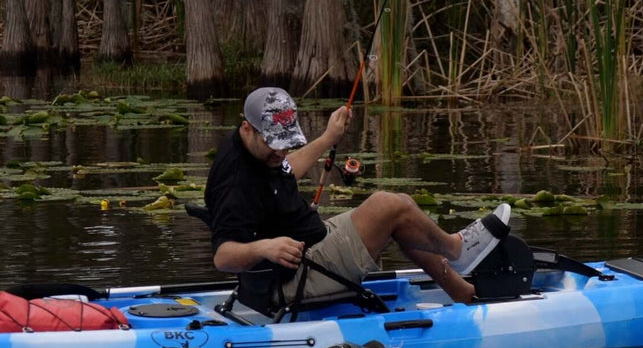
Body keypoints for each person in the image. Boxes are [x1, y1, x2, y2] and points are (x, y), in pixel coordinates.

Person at [204, 87, 511, 305]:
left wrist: (327, 138)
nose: (281, 150)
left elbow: (285, 169)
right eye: (274, 143)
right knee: (389, 206)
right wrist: (266, 247)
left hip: (309, 245)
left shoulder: (255, 152)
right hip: (296, 278)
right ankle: (457, 251)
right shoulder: (235, 181)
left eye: (286, 142)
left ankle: (462, 292)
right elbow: (222, 257)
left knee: (399, 215)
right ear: (248, 128)